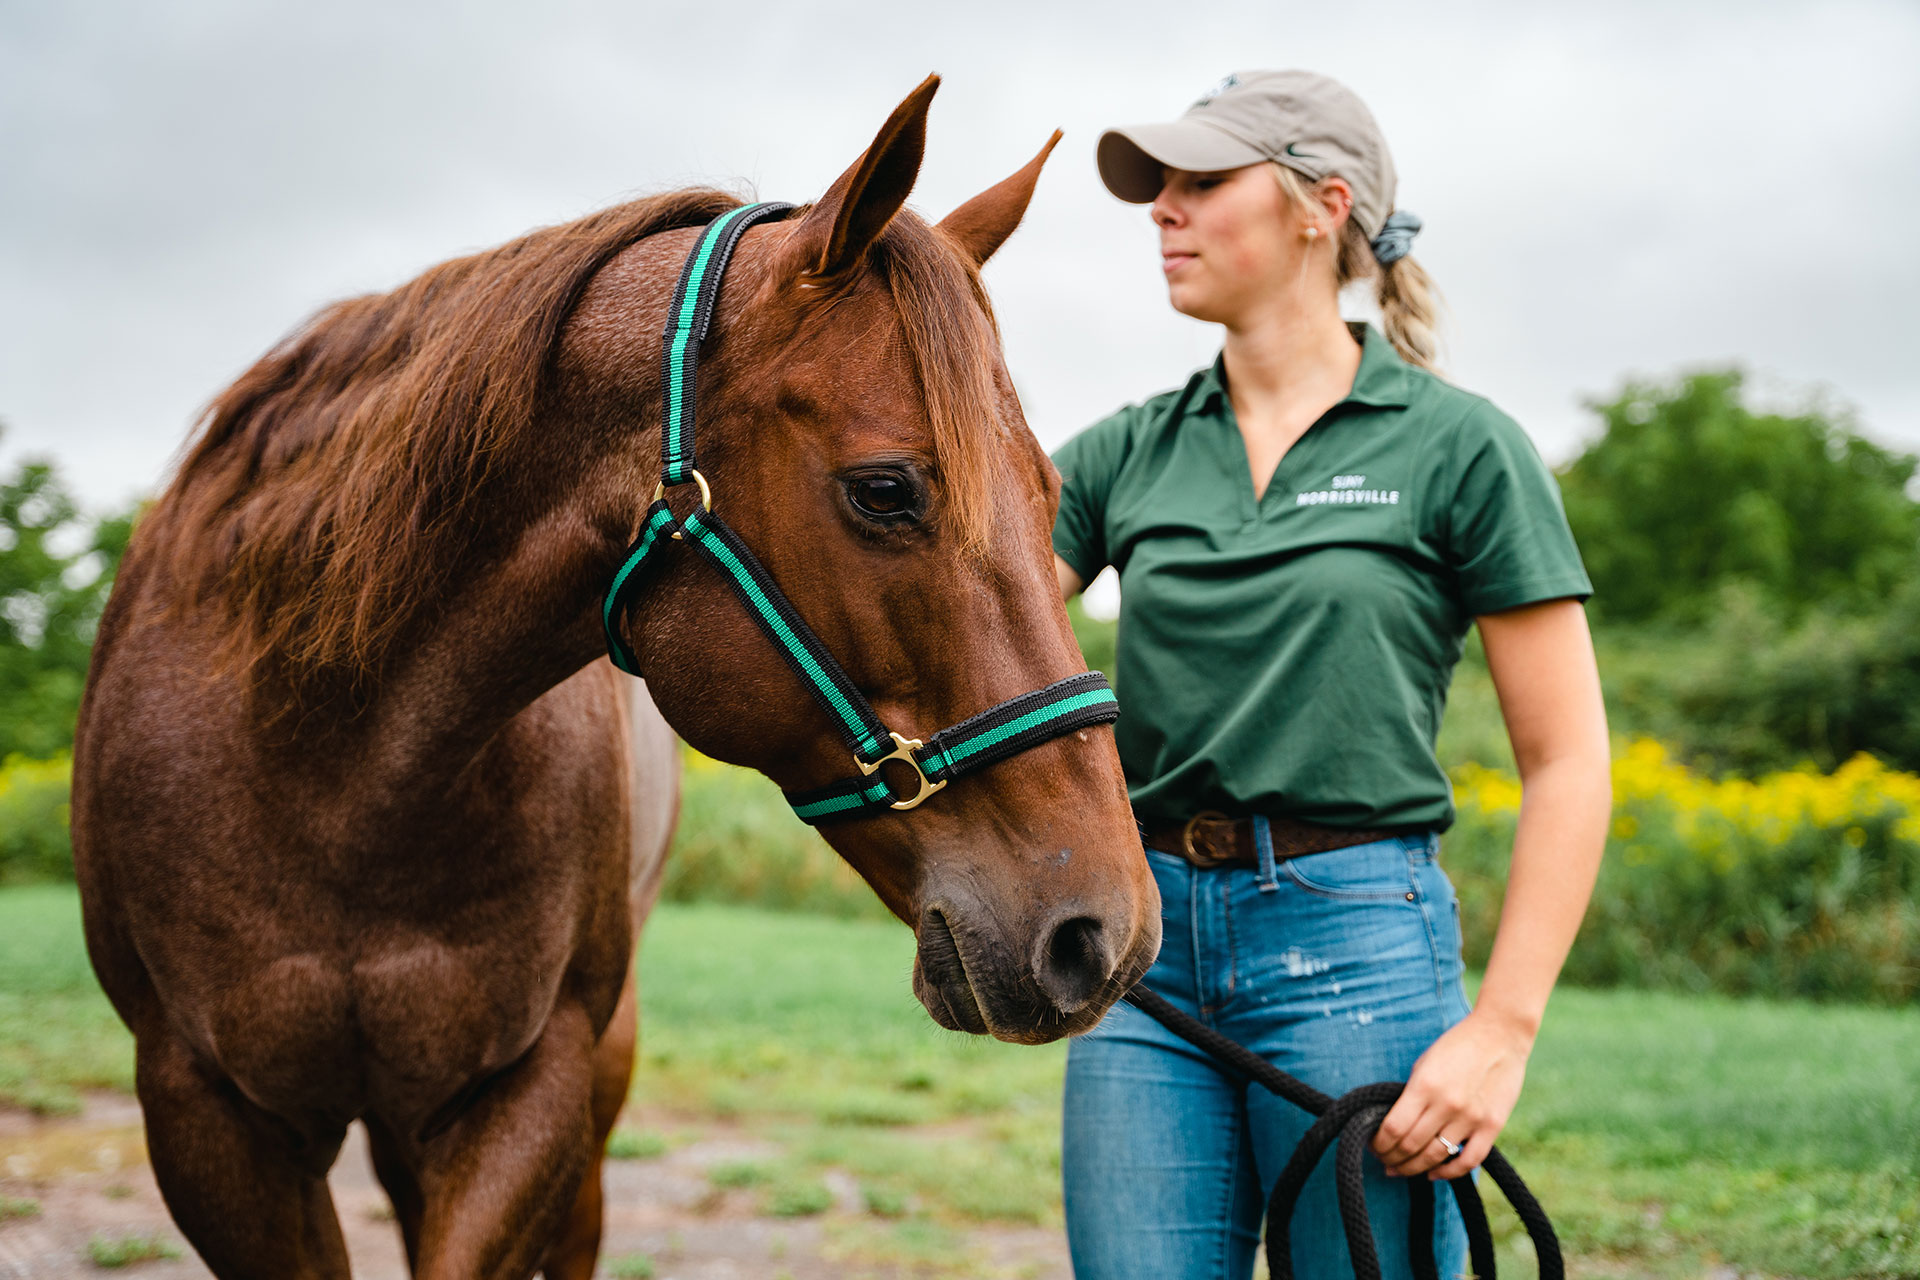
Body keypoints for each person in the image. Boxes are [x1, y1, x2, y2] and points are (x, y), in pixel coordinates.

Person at [1052, 70, 1612, 1280]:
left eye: (1202, 182)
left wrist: (1502, 1030)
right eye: (1161, 188)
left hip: (1357, 938)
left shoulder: (1461, 447)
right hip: (1146, 958)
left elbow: (1568, 762)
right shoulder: (1122, 451)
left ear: (1321, 206)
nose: (1164, 209)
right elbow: (953, 623)